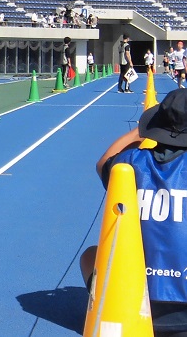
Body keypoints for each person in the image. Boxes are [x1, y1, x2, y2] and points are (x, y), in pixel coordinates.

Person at [81, 88, 187, 337]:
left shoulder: (129, 162)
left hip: (133, 301)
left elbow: (102, 163)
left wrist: (138, 132)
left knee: (90, 256)